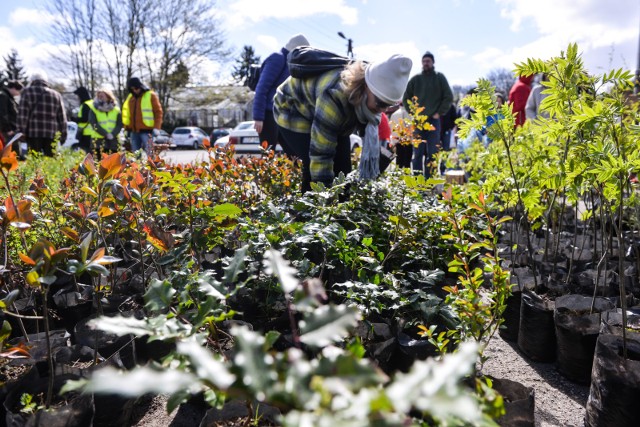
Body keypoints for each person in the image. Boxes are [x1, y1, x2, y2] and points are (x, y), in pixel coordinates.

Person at [274, 54, 413, 193]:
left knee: (343, 168)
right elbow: (321, 154)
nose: (382, 111)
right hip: (293, 109)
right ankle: (307, 210)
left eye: (388, 105)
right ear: (366, 86)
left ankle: (341, 206)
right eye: (381, 103)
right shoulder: (335, 96)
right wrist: (326, 199)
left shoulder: (366, 99)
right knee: (313, 166)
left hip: (324, 108)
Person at [253, 34, 309, 150]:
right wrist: (259, 117)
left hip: (283, 114)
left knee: (294, 153)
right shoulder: (278, 58)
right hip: (269, 114)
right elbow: (262, 88)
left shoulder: (292, 64)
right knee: (268, 152)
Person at [402, 51, 453, 178]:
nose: (426, 63)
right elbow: (406, 98)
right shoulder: (415, 79)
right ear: (421, 63)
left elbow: (448, 97)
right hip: (418, 121)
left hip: (433, 121)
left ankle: (429, 181)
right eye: (424, 61)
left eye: (428, 61)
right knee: (418, 153)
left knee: (432, 153)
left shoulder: (439, 78)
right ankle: (418, 182)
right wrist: (413, 113)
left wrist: (439, 113)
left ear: (433, 62)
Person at [17, 71, 67, 157]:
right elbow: (62, 118)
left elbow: (23, 114)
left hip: (33, 133)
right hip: (51, 133)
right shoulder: (56, 95)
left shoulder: (27, 92)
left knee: (34, 162)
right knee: (51, 162)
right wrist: (63, 135)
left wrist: (21, 132)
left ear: (32, 80)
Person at [122, 77, 163, 153]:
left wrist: (157, 127)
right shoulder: (130, 98)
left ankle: (151, 164)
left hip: (147, 131)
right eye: (132, 89)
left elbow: (158, 112)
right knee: (136, 154)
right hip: (134, 132)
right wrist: (127, 128)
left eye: (136, 88)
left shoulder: (151, 95)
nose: (135, 90)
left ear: (140, 86)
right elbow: (128, 114)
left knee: (150, 153)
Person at [88, 88, 122, 157]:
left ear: (108, 97)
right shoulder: (94, 108)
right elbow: (93, 123)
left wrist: (112, 134)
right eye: (99, 96)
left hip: (113, 141)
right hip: (98, 141)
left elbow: (119, 124)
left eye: (102, 96)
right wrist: (106, 134)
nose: (100, 98)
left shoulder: (116, 109)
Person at [0, 80, 23, 156]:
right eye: (18, 90)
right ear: (13, 88)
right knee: (12, 152)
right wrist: (8, 129)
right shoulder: (3, 96)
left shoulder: (9, 97)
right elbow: (3, 114)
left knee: (13, 152)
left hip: (10, 129)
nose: (18, 93)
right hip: (6, 130)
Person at [389, 103, 413, 169]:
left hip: (398, 140)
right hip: (408, 140)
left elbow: (391, 128)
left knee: (399, 160)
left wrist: (393, 141)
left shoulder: (394, 114)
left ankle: (398, 174)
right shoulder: (410, 114)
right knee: (407, 162)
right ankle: (406, 175)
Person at [73, 86, 95, 153]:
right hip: (95, 132)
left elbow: (85, 119)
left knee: (87, 154)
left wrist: (75, 119)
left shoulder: (85, 104)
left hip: (86, 133)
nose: (77, 97)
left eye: (78, 95)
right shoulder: (93, 103)